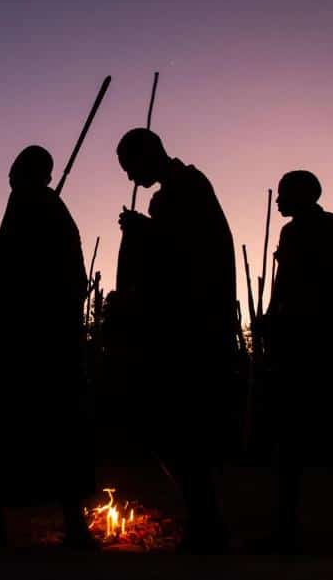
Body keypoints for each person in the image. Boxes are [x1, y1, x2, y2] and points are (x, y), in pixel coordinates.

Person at [0, 145, 95, 548]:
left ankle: (23, 525)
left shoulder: (40, 207)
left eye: (16, 167)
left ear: (32, 172)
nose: (10, 173)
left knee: (23, 426)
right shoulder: (39, 206)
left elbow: (47, 279)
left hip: (30, 343)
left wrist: (9, 316)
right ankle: (62, 525)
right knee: (41, 429)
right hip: (35, 340)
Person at [115, 128, 238, 553]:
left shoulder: (187, 188)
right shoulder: (170, 194)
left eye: (131, 167)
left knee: (185, 428)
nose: (131, 178)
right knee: (176, 429)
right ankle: (204, 522)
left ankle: (208, 526)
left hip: (193, 327)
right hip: (179, 325)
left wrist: (142, 231)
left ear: (148, 155)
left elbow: (190, 253)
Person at [264, 170, 333, 553]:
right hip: (300, 348)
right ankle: (288, 528)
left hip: (325, 350)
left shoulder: (327, 230)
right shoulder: (293, 234)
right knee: (292, 444)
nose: (277, 202)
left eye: (283, 195)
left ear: (302, 196)